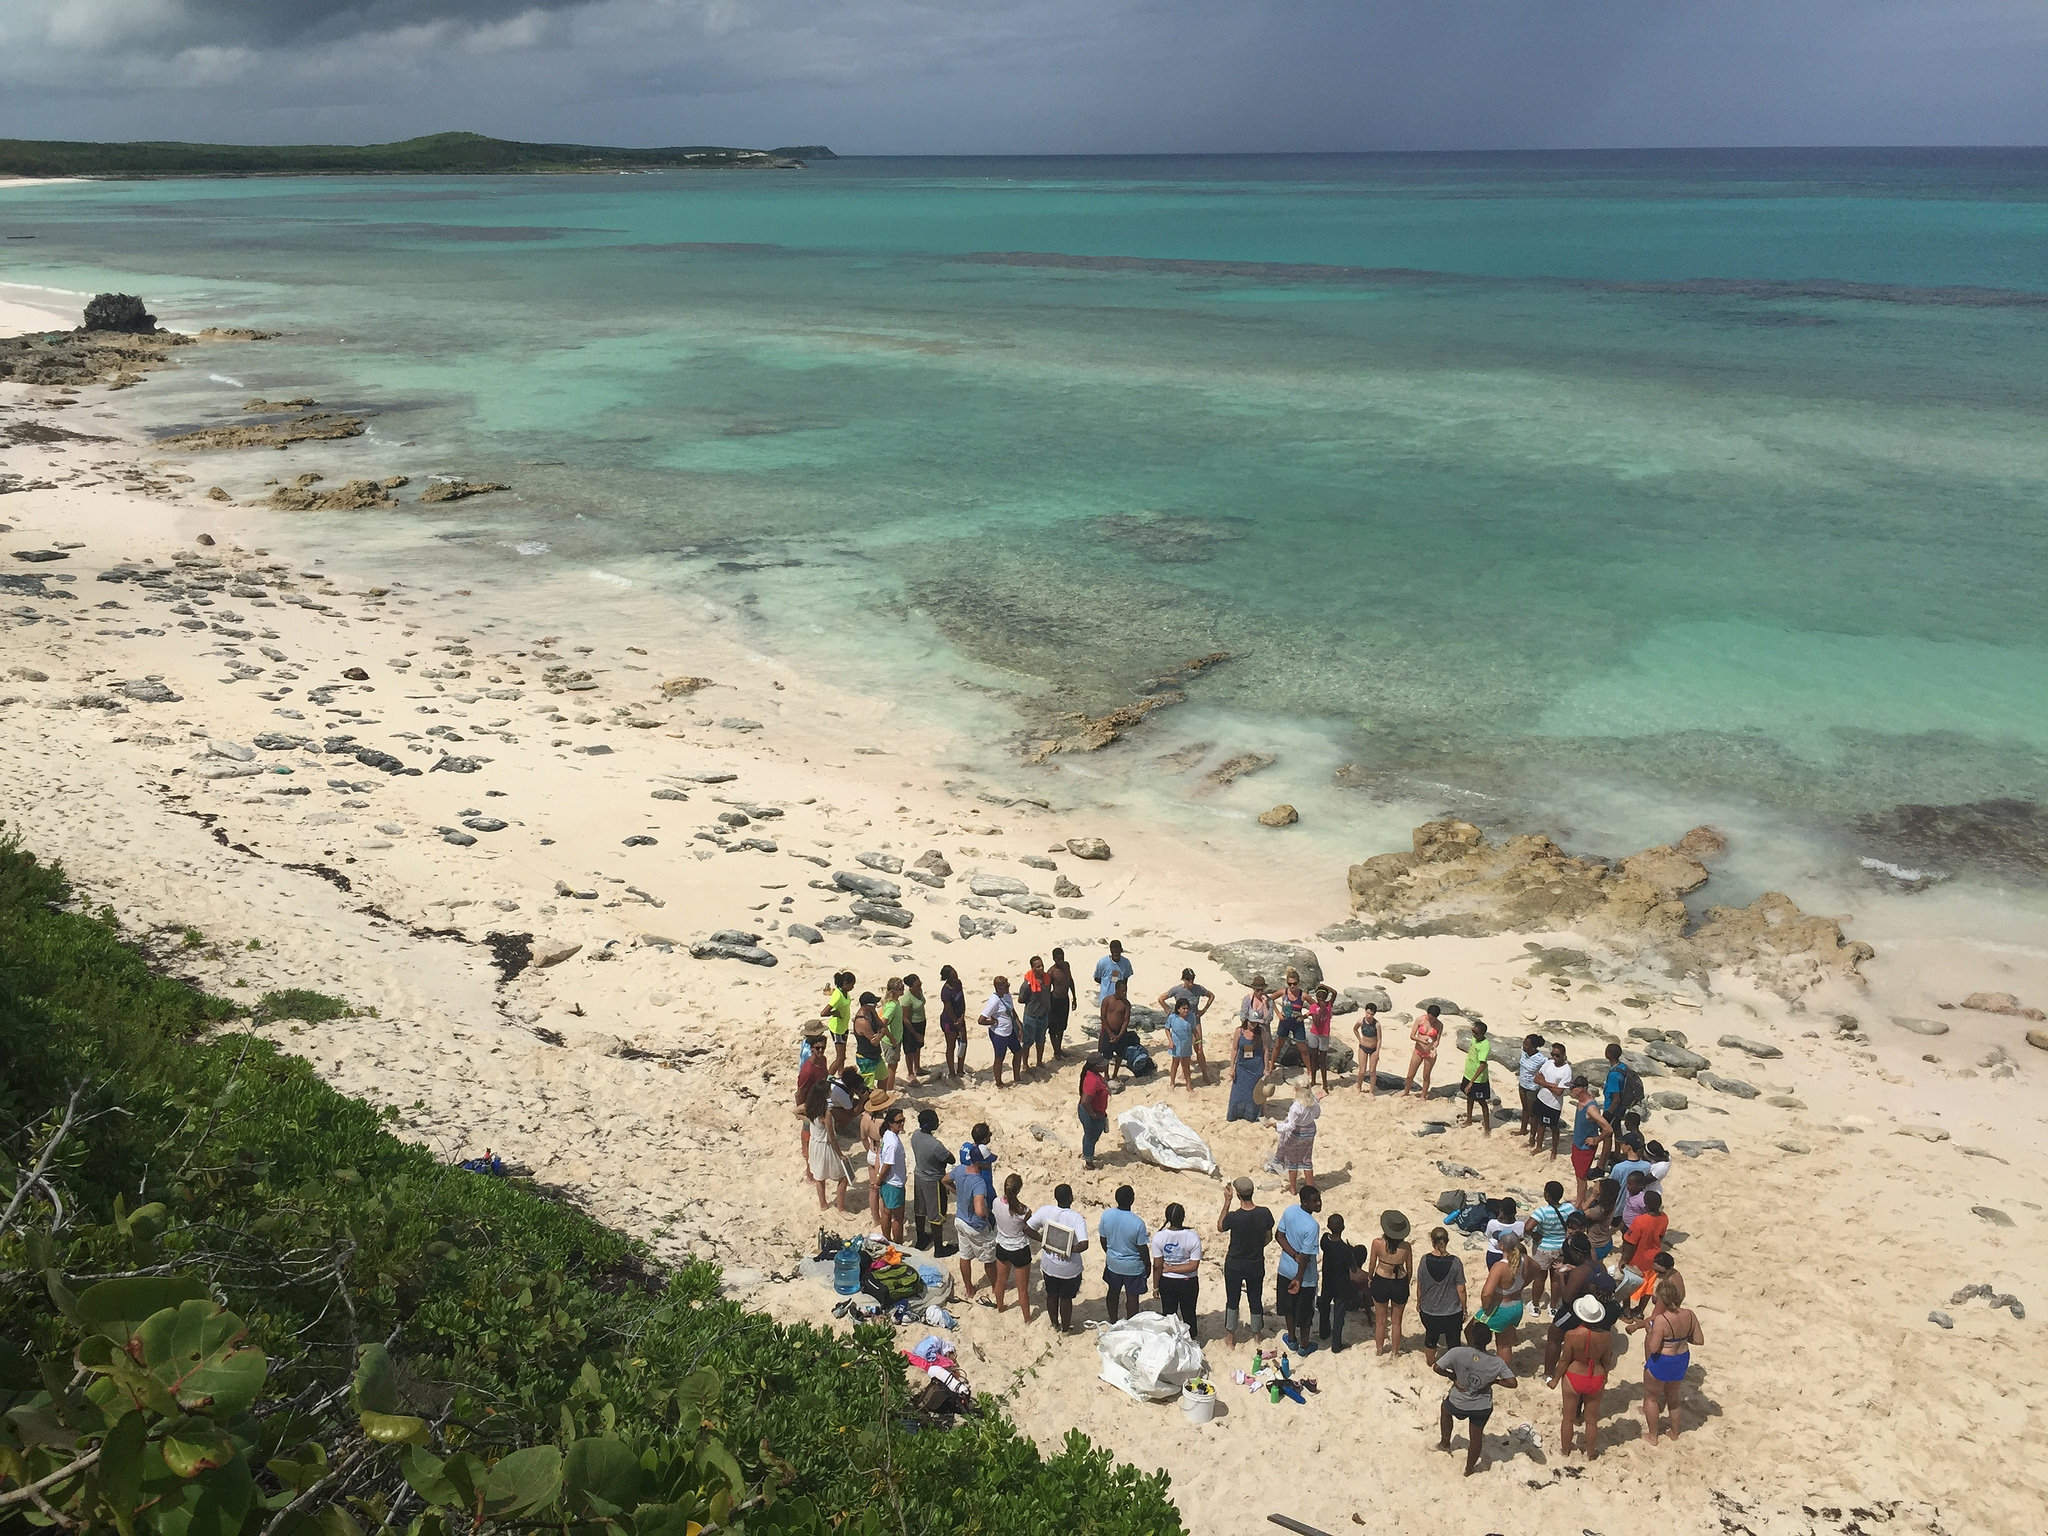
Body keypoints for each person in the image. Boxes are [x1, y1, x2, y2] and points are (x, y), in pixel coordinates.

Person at [1435, 1317, 1518, 1477]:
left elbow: (1437, 1367)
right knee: (1476, 1437)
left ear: (1472, 1337)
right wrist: (1494, 1381)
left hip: (1458, 1400)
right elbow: (1513, 1383)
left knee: (1445, 1410)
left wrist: (1453, 1377)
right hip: (1481, 1405)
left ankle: (1445, 1443)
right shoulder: (1497, 1362)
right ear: (1489, 1341)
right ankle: (1469, 1469)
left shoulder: (1457, 1352)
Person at [1556, 1293, 1619, 1458]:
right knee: (1591, 1421)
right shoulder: (1606, 1336)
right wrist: (1605, 1377)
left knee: (1568, 1418)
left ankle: (1565, 1451)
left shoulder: (1572, 1334)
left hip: (1574, 1375)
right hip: (1596, 1376)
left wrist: (1555, 1379)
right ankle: (1590, 1454)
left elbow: (1564, 1360)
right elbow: (1607, 1360)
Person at [1640, 1278, 1703, 1444]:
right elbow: (1699, 1340)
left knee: (1651, 1398)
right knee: (1673, 1397)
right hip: (1681, 1358)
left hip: (1662, 1360)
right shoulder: (1690, 1314)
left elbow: (1653, 1348)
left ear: (1662, 1299)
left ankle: (1653, 1436)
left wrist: (1650, 1332)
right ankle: (1674, 1432)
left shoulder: (1661, 1320)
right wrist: (1680, 1339)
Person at [1218, 1176, 1274, 1348]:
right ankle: (1257, 1334)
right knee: (1255, 1298)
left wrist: (1227, 1202)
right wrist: (1256, 1247)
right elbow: (1268, 1237)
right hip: (1255, 1262)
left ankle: (1230, 1337)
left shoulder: (1234, 1217)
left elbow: (1220, 1226)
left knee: (1232, 1300)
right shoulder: (1264, 1213)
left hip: (1235, 1263)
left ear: (1238, 1195)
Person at [1028, 1184, 1090, 1334]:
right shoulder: (1076, 1218)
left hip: (1049, 1265)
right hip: (1069, 1268)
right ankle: (1065, 1329)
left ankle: (1054, 1323)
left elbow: (1027, 1228)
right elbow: (1084, 1244)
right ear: (1071, 1198)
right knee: (1066, 1299)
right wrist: (1068, 1250)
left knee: (1052, 1295)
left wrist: (1043, 1240)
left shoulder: (1045, 1211)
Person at [1274, 1185, 1322, 1353]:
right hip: (1304, 1278)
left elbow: (1279, 1236)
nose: (1319, 1203)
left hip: (1285, 1269)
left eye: (1319, 1199)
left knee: (1289, 1308)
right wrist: (1299, 1279)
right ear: (1305, 1202)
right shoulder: (1312, 1225)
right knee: (1305, 1314)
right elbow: (1306, 1257)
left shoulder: (1290, 1211)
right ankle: (1304, 1346)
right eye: (1315, 1201)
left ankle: (1292, 1339)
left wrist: (1293, 1254)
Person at [951, 1127, 997, 1302]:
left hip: (960, 1219)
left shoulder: (960, 1169)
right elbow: (979, 1209)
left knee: (965, 1256)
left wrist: (959, 1193)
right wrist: (985, 1213)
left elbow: (945, 1179)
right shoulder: (979, 1182)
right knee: (989, 1258)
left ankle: (969, 1289)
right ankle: (995, 1287)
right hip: (975, 1225)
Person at [1416, 1225, 1469, 1368]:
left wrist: (1419, 1303)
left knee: (1431, 1337)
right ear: (1447, 1241)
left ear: (1432, 1241)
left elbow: (1420, 1286)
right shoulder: (1456, 1262)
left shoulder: (1424, 1260)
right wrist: (1464, 1309)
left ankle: (1430, 1363)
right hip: (1451, 1312)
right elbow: (1461, 1289)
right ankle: (1453, 1366)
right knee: (1453, 1340)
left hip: (1429, 1311)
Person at [1098, 1185, 1152, 1323]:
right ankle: (1131, 1323)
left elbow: (1103, 1239)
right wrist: (1147, 1264)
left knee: (1113, 1292)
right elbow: (1142, 1248)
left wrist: (1110, 1253)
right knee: (1132, 1296)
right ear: (1132, 1200)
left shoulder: (1106, 1215)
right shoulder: (1138, 1223)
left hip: (1113, 1263)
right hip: (1133, 1267)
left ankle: (1113, 1320)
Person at [1477, 1231, 1530, 1364]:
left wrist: (1485, 1307)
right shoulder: (1525, 1260)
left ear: (1501, 1245)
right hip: (1516, 1305)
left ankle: (1478, 1362)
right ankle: (1503, 1371)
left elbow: (1486, 1293)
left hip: (1500, 1308)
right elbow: (1537, 1269)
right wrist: (1520, 1287)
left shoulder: (1499, 1266)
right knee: (1505, 1344)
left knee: (1472, 1332)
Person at [1367, 1209, 1415, 1356]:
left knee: (1380, 1320)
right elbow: (1410, 1269)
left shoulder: (1377, 1243)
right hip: (1399, 1281)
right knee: (1397, 1321)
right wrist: (1405, 1283)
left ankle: (1379, 1350)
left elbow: (1372, 1265)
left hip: (1382, 1279)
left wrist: (1370, 1278)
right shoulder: (1406, 1247)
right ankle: (1395, 1351)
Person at [1158, 967, 1216, 1085]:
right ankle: (1182, 1073)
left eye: (1192, 979)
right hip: (1180, 1022)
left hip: (1195, 1021)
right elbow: (1161, 999)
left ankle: (1205, 1074)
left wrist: (1204, 1010)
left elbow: (1211, 996)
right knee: (1181, 1049)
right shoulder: (1177, 990)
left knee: (1199, 1048)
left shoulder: (1199, 989)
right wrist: (1168, 1011)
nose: (1191, 982)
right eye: (1188, 979)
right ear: (1184, 979)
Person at [1525, 1179, 1577, 1308]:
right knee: (1556, 1279)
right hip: (1561, 1248)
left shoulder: (1542, 1212)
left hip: (1544, 1248)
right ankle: (1553, 1307)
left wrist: (1535, 1235)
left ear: (1547, 1195)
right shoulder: (1569, 1208)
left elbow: (1527, 1228)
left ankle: (1535, 1306)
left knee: (1539, 1278)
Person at [1151, 1203, 1202, 1332]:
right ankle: (1192, 1337)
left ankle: (1171, 1337)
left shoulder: (1159, 1237)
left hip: (1167, 1281)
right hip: (1188, 1281)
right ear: (1183, 1217)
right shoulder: (1193, 1237)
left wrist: (1156, 1286)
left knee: (1169, 1314)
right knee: (1189, 1313)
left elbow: (1157, 1266)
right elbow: (1193, 1266)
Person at [991, 1172, 1035, 1321]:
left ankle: (1000, 1306)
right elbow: (1028, 1227)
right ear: (1018, 1190)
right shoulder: (1024, 1211)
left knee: (1000, 1281)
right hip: (1019, 1248)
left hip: (1002, 1246)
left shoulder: (996, 1203)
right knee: (1022, 1290)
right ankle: (1027, 1318)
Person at [910, 1107, 954, 1253]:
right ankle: (939, 1248)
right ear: (930, 1124)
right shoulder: (935, 1145)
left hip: (919, 1176)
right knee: (936, 1214)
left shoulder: (915, 1135)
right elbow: (951, 1159)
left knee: (920, 1209)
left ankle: (921, 1238)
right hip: (933, 1181)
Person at [802, 1081, 848, 1212]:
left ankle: (823, 1204)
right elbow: (831, 1137)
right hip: (824, 1146)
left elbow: (796, 1111)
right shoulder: (826, 1114)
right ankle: (841, 1207)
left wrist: (808, 1121)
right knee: (843, 1177)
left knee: (819, 1177)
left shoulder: (810, 1107)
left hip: (814, 1144)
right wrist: (840, 1154)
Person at [1621, 1190, 1669, 1311]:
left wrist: (1624, 1260)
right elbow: (1661, 1236)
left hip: (1638, 1258)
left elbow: (1631, 1243)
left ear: (1645, 1205)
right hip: (1654, 1258)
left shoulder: (1640, 1221)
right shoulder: (1664, 1218)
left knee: (1627, 1282)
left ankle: (1626, 1311)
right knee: (1648, 1286)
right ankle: (1640, 1311)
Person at [1317, 1213, 1358, 1351]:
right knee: (1339, 1314)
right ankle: (1336, 1344)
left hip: (1328, 1280)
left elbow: (1325, 1244)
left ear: (1328, 1226)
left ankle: (1324, 1332)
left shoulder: (1324, 1240)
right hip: (1341, 1283)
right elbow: (1353, 1268)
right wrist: (1352, 1251)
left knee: (1325, 1306)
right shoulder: (1345, 1249)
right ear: (1343, 1227)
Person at [1568, 1081, 1612, 1207]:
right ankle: (1580, 1197)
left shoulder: (1591, 1108)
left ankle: (1579, 1203)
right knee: (1578, 1173)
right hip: (1577, 1143)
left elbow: (1608, 1129)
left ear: (1581, 1088)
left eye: (1572, 1088)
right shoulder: (1581, 1102)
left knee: (1581, 1176)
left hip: (1584, 1147)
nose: (1570, 1090)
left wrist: (1597, 1139)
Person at [1273, 1084, 1322, 1193]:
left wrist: (1275, 1125)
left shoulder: (1296, 1106)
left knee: (1292, 1161)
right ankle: (1310, 1187)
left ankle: (1293, 1188)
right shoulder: (1313, 1101)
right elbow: (1317, 1115)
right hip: (1309, 1132)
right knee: (1307, 1159)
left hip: (1297, 1134)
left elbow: (1291, 1126)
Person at [796, 1021, 830, 1169]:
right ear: (812, 1048)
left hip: (821, 1100)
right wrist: (801, 1108)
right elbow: (801, 1091)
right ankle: (806, 1156)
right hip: (810, 1102)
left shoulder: (823, 1060)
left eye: (823, 1047)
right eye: (818, 1048)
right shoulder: (807, 1070)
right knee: (807, 1130)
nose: (821, 1050)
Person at [1531, 1042, 1574, 1161]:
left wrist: (1544, 1083)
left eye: (1557, 1055)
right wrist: (1552, 1085)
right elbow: (1536, 1078)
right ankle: (1539, 1146)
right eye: (1553, 1054)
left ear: (1563, 1055)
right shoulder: (1548, 1063)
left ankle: (1554, 1151)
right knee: (1540, 1123)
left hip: (1553, 1104)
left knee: (1554, 1127)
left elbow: (1559, 1091)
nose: (1555, 1057)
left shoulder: (1566, 1070)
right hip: (1541, 1098)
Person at [1227, 1005, 1268, 1123]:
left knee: (1254, 1093)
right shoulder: (1239, 1031)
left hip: (1256, 1066)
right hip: (1242, 1066)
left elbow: (1266, 1050)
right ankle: (1236, 1114)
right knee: (1238, 1092)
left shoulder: (1261, 1032)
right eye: (1252, 1022)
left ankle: (1253, 1115)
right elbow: (1234, 1049)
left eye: (1256, 1022)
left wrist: (1267, 1068)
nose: (1254, 1024)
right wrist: (1232, 1067)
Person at [979, 975, 1021, 1089]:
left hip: (1010, 1030)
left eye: (1008, 985)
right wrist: (993, 1021)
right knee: (999, 1058)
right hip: (999, 1034)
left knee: (1018, 1052)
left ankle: (1017, 1078)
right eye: (1006, 986)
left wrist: (1019, 1025)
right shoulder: (994, 1001)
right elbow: (981, 1020)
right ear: (998, 988)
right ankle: (999, 1083)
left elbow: (1012, 1010)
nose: (1008, 988)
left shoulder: (1007, 995)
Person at [875, 1105, 909, 1242]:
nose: (902, 1123)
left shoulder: (887, 1135)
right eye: (898, 1121)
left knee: (886, 1212)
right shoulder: (893, 1143)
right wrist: (878, 1181)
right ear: (890, 1123)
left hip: (887, 1182)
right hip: (894, 1183)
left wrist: (879, 1179)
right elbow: (887, 1165)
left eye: (903, 1120)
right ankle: (898, 1243)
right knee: (898, 1218)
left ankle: (886, 1240)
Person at [1017, 955, 1053, 1074]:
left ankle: (1039, 1062)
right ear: (1032, 968)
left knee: (1041, 1040)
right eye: (1038, 966)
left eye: (1042, 965)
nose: (1041, 968)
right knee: (1027, 1042)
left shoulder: (1047, 979)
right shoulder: (1027, 984)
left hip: (1044, 1015)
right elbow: (1020, 999)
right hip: (1031, 1017)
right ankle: (1025, 1064)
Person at [1076, 1055, 1111, 1169]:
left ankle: (1087, 1154)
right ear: (1095, 1067)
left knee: (1090, 1136)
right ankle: (1089, 1164)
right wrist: (1093, 1115)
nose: (1105, 1066)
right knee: (1091, 1137)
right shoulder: (1092, 1081)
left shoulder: (1094, 1075)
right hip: (1091, 1113)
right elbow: (1085, 1102)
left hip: (1094, 1111)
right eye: (1102, 1065)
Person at [1459, 1021, 1493, 1135]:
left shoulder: (1485, 1045)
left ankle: (1487, 1128)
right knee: (1469, 1097)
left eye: (1476, 1033)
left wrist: (1472, 1082)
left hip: (1478, 1080)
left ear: (1482, 1033)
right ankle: (1469, 1119)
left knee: (1482, 1102)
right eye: (1472, 1032)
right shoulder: (1474, 1039)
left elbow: (1482, 1065)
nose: (1473, 1034)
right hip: (1468, 1074)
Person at [1274, 969, 1310, 1071]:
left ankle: (1309, 1069)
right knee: (1278, 1046)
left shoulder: (1303, 995)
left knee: (1303, 1049)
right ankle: (1272, 1065)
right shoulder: (1283, 992)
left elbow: (1315, 1006)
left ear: (1298, 982)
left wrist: (1305, 1016)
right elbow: (1269, 999)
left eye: (1294, 983)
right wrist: (1278, 1013)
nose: (1292, 986)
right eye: (1290, 984)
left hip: (1297, 1024)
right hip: (1284, 1022)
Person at [1240, 976, 1278, 1074]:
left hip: (1263, 1029)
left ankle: (1265, 1069)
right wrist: (1254, 1024)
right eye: (1257, 990)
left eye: (1261, 990)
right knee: (1249, 1048)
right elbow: (1243, 1016)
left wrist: (1265, 1005)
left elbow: (1269, 1018)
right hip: (1251, 1028)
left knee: (1265, 1049)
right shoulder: (1247, 999)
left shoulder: (1269, 1001)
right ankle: (1249, 1067)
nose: (1259, 992)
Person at [1098, 976, 1132, 1080]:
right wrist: (1110, 1033)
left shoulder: (1126, 1004)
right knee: (1106, 1055)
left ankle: (1115, 1074)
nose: (1124, 993)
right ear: (1116, 990)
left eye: (1125, 990)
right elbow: (1103, 1017)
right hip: (1108, 1031)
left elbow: (1126, 1020)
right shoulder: (1107, 1000)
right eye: (1122, 991)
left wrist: (1120, 1035)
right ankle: (1106, 1075)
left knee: (1120, 1054)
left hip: (1120, 1033)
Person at [1404, 1004, 1443, 1097]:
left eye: (1434, 1019)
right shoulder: (1420, 1020)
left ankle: (1423, 1096)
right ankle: (1406, 1091)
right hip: (1418, 1050)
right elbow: (1412, 1036)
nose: (1432, 1020)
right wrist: (1421, 1040)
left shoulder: (1439, 1025)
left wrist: (1434, 1049)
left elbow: (1437, 1041)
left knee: (1426, 1076)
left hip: (1429, 1053)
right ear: (1427, 1014)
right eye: (1430, 1018)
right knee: (1410, 1075)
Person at [821, 970, 855, 1073]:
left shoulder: (844, 992)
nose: (853, 987)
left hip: (844, 1027)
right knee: (840, 1057)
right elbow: (823, 1013)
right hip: (837, 1029)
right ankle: (828, 1076)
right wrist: (834, 1013)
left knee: (843, 1056)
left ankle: (841, 1074)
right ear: (845, 983)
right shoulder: (838, 996)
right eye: (851, 985)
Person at [1046, 947, 1078, 1057]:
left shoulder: (1066, 966)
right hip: (1055, 1000)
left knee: (1062, 1026)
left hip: (1065, 999)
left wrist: (1074, 997)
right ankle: (1056, 1051)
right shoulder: (1051, 972)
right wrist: (1048, 1005)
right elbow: (1047, 990)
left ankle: (1059, 1049)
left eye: (1062, 958)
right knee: (1053, 1027)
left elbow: (1070, 980)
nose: (1061, 961)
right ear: (1054, 959)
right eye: (1058, 959)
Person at [938, 964, 968, 1080]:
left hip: (960, 1018)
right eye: (953, 976)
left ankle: (960, 1069)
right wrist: (956, 1022)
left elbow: (962, 1000)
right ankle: (952, 1072)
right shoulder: (945, 991)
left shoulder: (958, 983)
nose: (956, 977)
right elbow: (948, 1009)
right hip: (949, 1021)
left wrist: (962, 1015)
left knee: (963, 1043)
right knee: (951, 1046)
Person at [1516, 1034, 1547, 1145]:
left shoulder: (1541, 1059)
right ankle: (1523, 1129)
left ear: (1533, 1047)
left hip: (1532, 1089)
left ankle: (1532, 1136)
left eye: (1526, 1044)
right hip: (1522, 1085)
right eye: (1524, 1043)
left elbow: (1546, 1071)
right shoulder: (1524, 1052)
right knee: (1525, 1109)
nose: (1524, 1046)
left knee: (1533, 1113)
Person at [1583, 1177, 1621, 1265]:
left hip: (1597, 1245)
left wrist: (1593, 1195)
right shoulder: (1609, 1203)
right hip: (1605, 1241)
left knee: (1592, 1266)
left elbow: (1582, 1211)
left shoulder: (1600, 1210)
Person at [852, 992, 887, 1088]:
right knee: (868, 1086)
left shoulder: (871, 1012)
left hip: (876, 1055)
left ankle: (882, 1096)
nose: (876, 1005)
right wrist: (881, 1032)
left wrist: (880, 1033)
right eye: (874, 1004)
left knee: (884, 1077)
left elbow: (882, 1026)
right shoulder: (862, 1021)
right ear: (866, 1006)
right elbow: (875, 1041)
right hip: (866, 1058)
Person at [899, 973, 929, 1085]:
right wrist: (915, 1033)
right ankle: (910, 1072)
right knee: (910, 1050)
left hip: (921, 1022)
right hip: (911, 1025)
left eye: (920, 984)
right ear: (910, 987)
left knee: (918, 1046)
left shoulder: (919, 992)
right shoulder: (906, 999)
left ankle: (918, 1067)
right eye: (917, 985)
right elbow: (905, 1018)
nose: (920, 987)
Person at [1304, 985, 1336, 1090]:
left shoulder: (1329, 1005)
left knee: (1323, 1060)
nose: (1320, 999)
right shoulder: (1313, 1007)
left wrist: (1324, 986)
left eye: (1322, 997)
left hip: (1324, 1035)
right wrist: (1320, 1011)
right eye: (1318, 997)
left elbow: (1334, 993)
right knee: (1313, 1057)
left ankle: (1325, 1083)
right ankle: (1313, 1080)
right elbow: (1317, 1023)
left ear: (1325, 997)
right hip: (1314, 1034)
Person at [877, 977, 906, 1091]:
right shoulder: (892, 1006)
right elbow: (883, 1024)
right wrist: (892, 1038)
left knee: (892, 1065)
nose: (903, 989)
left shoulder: (894, 1001)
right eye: (900, 988)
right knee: (892, 1067)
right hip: (891, 1041)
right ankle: (889, 1089)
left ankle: (889, 1086)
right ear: (893, 991)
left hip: (895, 1038)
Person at [1482, 1198, 1525, 1273]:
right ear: (1515, 1212)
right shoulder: (1521, 1225)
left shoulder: (1492, 1223)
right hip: (1512, 1255)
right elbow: (1521, 1239)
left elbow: (1488, 1235)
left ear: (1501, 1211)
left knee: (1494, 1275)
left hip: (1493, 1253)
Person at [1165, 996, 1199, 1092]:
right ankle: (1172, 1082)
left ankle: (1188, 1085)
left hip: (1186, 1044)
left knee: (1186, 1065)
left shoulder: (1191, 1017)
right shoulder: (1172, 1017)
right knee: (1175, 1063)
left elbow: (1194, 1030)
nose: (1186, 1010)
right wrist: (1170, 1041)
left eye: (1187, 1008)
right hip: (1175, 1044)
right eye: (1184, 1008)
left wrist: (1198, 1041)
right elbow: (1167, 1029)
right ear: (1178, 1009)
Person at [1093, 940, 1133, 1010]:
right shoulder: (1102, 962)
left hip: (1120, 999)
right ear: (1110, 951)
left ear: (1121, 950)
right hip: (1106, 999)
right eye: (1114, 953)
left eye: (1117, 953)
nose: (1115, 955)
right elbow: (1096, 978)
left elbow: (1125, 978)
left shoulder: (1126, 963)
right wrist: (1106, 983)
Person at [1353, 1001, 1383, 1094]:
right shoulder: (1361, 1021)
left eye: (1371, 1014)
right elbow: (1355, 1029)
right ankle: (1359, 1087)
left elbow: (1379, 1040)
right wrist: (1359, 1039)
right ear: (1365, 1011)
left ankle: (1371, 1091)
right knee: (1362, 1070)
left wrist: (1377, 1052)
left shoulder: (1377, 1024)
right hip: (1363, 1048)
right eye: (1368, 1013)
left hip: (1373, 1049)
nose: (1369, 1016)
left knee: (1372, 1071)